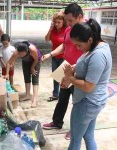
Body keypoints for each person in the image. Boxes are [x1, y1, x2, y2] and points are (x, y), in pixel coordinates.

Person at [63, 19, 112, 150]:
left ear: (90, 39)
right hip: (92, 101)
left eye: (79, 45)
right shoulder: (95, 46)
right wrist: (76, 67)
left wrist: (70, 78)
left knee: (75, 140)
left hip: (87, 102)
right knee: (88, 135)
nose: (78, 48)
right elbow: (88, 65)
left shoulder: (98, 54)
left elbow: (89, 86)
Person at [42, 3, 84, 139]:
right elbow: (64, 46)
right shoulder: (69, 29)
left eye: (71, 21)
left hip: (79, 71)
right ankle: (57, 122)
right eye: (67, 21)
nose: (69, 24)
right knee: (62, 98)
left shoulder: (88, 29)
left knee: (77, 103)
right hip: (66, 67)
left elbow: (89, 54)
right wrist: (51, 54)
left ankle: (75, 130)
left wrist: (72, 72)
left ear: (80, 17)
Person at [4, 41, 41, 108]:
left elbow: (36, 59)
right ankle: (27, 95)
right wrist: (6, 74)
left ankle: (35, 99)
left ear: (26, 51)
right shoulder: (16, 52)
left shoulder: (32, 49)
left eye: (21, 54)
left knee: (35, 78)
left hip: (35, 61)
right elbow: (9, 63)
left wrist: (32, 67)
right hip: (26, 61)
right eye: (19, 54)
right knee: (26, 76)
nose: (20, 55)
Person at [45, 11, 67, 102]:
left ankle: (63, 95)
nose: (57, 24)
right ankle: (55, 94)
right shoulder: (53, 29)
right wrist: (50, 29)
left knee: (61, 77)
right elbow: (46, 39)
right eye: (55, 22)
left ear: (63, 22)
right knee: (55, 76)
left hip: (63, 57)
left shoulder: (66, 30)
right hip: (54, 56)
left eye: (59, 22)